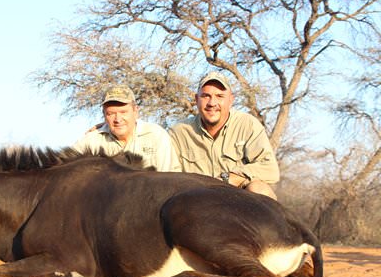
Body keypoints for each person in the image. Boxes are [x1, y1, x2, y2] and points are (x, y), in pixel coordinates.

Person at [168, 72, 280, 200]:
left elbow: (270, 169)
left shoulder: (248, 125)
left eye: (220, 96)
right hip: (196, 203)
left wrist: (230, 178)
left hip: (239, 202)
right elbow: (170, 178)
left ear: (231, 100)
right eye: (206, 96)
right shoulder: (178, 132)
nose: (212, 103)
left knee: (259, 189)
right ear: (196, 99)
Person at [74, 84, 180, 172]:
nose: (118, 119)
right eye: (111, 114)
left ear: (135, 111)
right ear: (104, 115)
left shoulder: (156, 135)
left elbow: (170, 179)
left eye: (123, 112)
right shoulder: (90, 141)